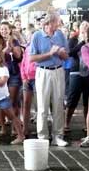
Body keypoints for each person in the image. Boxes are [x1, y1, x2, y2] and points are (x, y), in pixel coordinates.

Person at [29, 12, 69, 147]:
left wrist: (61, 53)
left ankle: (58, 135)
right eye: (57, 22)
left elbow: (66, 56)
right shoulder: (37, 36)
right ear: (49, 23)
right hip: (43, 71)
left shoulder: (60, 35)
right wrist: (50, 53)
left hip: (58, 70)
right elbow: (32, 58)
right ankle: (43, 136)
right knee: (42, 106)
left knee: (58, 104)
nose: (59, 24)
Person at [65, 21, 89, 133]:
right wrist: (82, 43)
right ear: (79, 29)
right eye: (83, 26)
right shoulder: (73, 40)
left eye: (87, 26)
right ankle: (66, 123)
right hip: (76, 71)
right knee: (73, 97)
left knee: (87, 99)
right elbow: (70, 53)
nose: (85, 28)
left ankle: (87, 124)